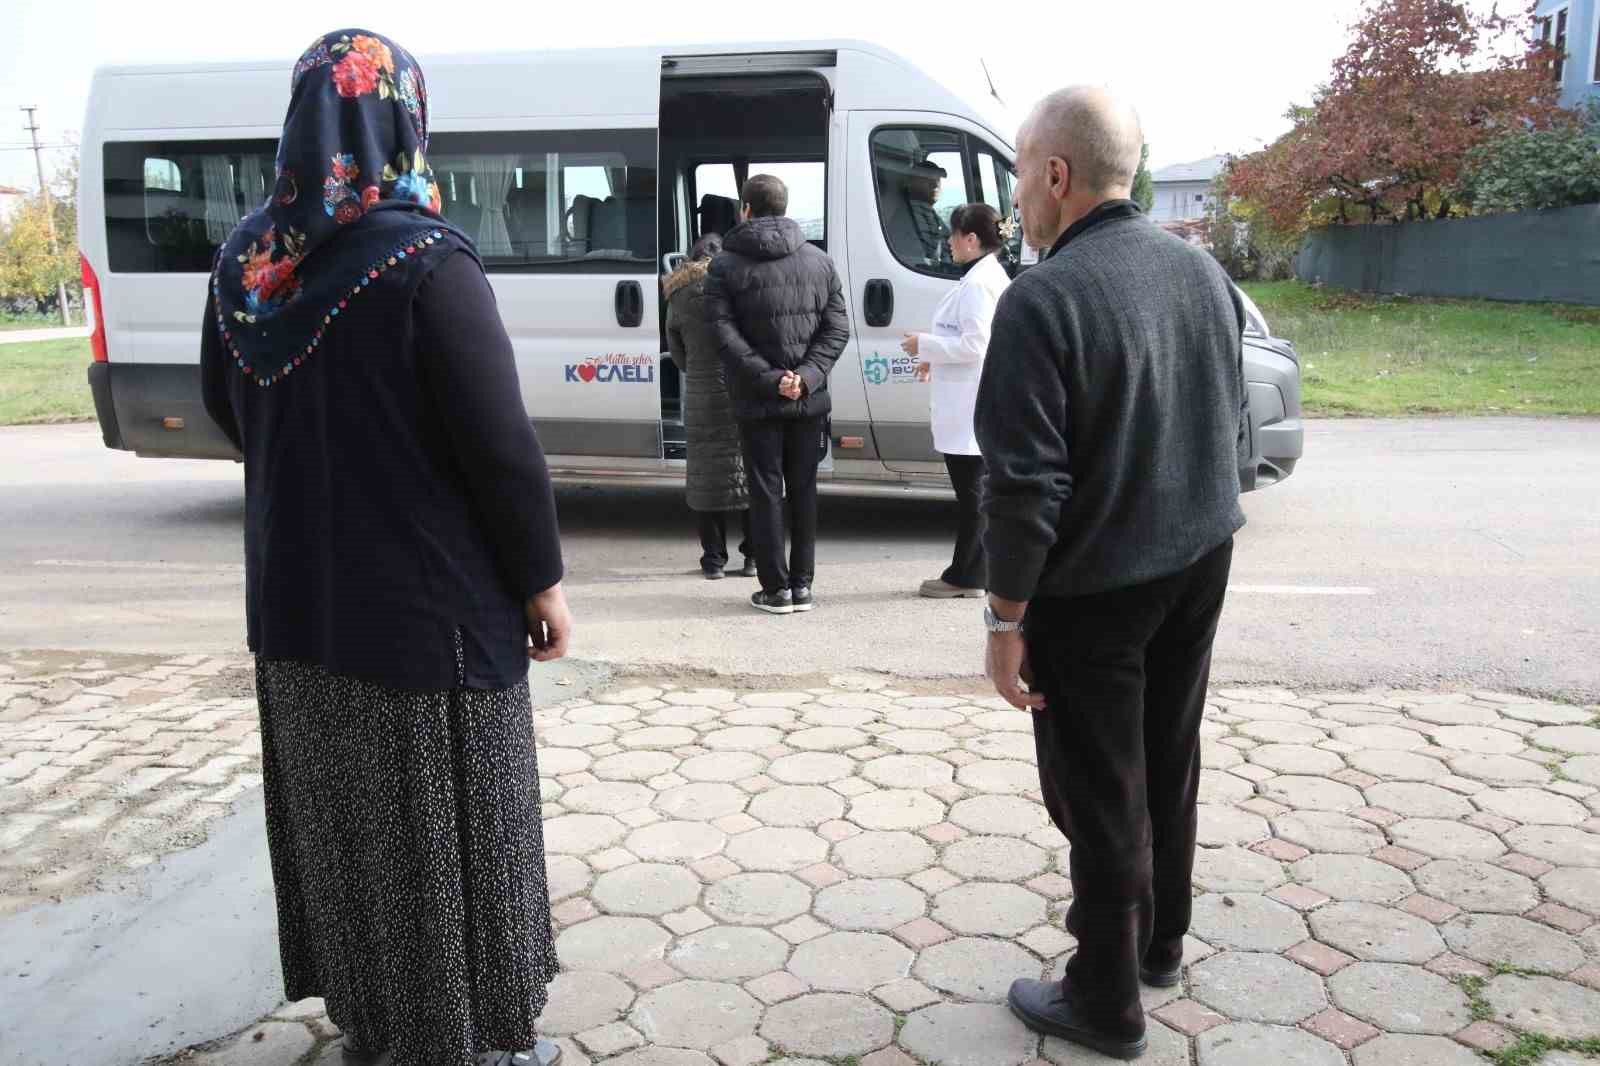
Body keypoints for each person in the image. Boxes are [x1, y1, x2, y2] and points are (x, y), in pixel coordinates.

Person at [199, 30, 570, 1066]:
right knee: (450, 830)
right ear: (403, 117)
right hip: (426, 619)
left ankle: (376, 1025)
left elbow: (226, 409)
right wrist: (541, 581)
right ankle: (472, 1044)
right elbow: (499, 449)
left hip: (298, 609)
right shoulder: (425, 260)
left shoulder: (247, 266)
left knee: (347, 833)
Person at [976, 86, 1249, 1061]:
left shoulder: (1041, 298)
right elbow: (1232, 426)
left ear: (1057, 174)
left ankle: (1104, 1000)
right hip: (1197, 555)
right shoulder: (1201, 270)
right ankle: (1158, 940)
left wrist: (1004, 621)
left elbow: (1024, 487)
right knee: (1167, 755)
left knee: (1098, 789)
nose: (1015, 197)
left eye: (1019, 172)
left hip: (1096, 586)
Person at [704, 173, 849, 615]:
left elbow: (722, 334)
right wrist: (805, 377)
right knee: (804, 489)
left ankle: (775, 589)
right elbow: (837, 330)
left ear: (745, 209)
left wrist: (771, 379)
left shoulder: (724, 265)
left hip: (756, 398)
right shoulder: (819, 261)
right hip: (808, 399)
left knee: (765, 490)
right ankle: (802, 586)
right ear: (785, 208)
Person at [901, 203, 1010, 599]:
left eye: (953, 235)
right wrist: (933, 356)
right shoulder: (981, 277)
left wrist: (925, 345)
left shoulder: (980, 284)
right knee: (974, 495)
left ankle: (967, 576)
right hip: (969, 400)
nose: (948, 242)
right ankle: (971, 572)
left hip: (970, 405)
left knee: (973, 496)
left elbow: (976, 345)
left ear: (971, 239)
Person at [665, 234, 756, 579]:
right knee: (749, 474)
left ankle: (714, 560)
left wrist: (699, 369)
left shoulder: (678, 294)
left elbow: (678, 355)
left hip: (701, 397)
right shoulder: (741, 287)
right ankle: (753, 557)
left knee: (705, 480)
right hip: (741, 391)